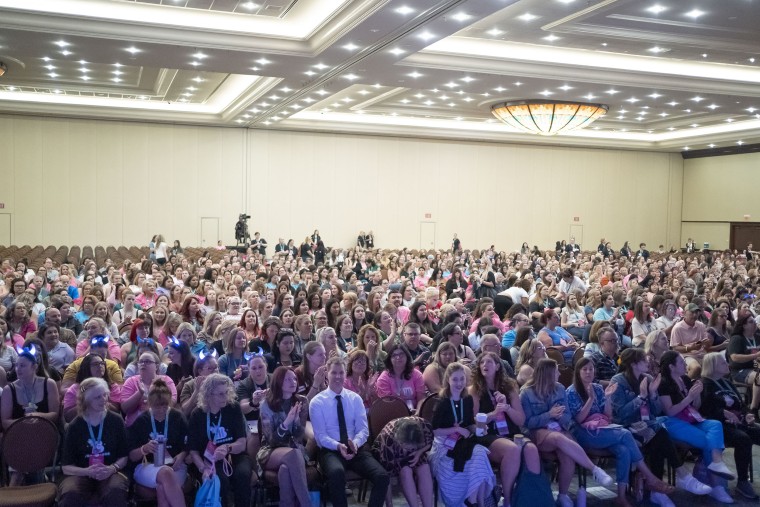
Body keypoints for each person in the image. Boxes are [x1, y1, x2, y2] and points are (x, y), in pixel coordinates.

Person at [610, 348, 712, 505]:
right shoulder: (618, 381)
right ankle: (682, 476)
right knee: (660, 433)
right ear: (634, 364)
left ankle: (657, 491)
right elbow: (621, 414)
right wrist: (641, 396)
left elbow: (657, 410)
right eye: (644, 360)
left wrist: (652, 394)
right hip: (626, 427)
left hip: (646, 425)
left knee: (658, 437)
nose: (648, 362)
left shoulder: (648, 378)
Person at [567, 357, 674, 507]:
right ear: (578, 372)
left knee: (623, 450)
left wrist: (608, 397)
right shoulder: (571, 391)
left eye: (591, 369)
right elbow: (578, 420)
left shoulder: (598, 388)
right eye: (584, 369)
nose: (588, 372)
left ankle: (621, 496)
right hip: (583, 432)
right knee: (625, 434)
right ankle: (650, 477)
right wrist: (590, 399)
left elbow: (609, 415)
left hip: (602, 428)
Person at [520, 359, 613, 507]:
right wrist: (549, 414)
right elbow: (526, 423)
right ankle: (595, 469)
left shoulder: (559, 388)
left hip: (559, 428)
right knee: (558, 438)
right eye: (556, 370)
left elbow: (568, 416)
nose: (559, 373)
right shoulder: (526, 393)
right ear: (548, 374)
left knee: (567, 455)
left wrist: (559, 416)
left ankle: (562, 496)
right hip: (537, 432)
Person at [309, 356, 390, 507]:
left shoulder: (355, 399)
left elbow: (363, 430)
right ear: (327, 374)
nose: (338, 376)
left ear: (345, 374)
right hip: (330, 450)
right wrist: (338, 446)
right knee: (336, 473)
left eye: (341, 373)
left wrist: (356, 443)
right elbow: (320, 437)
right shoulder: (317, 402)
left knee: (382, 476)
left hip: (356, 448)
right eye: (334, 373)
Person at [657, 351, 736, 492]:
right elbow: (669, 411)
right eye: (681, 362)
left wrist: (697, 395)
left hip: (691, 418)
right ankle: (717, 485)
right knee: (706, 441)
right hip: (672, 421)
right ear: (671, 367)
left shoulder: (685, 380)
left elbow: (695, 407)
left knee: (715, 425)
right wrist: (689, 397)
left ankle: (716, 463)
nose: (686, 364)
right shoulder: (663, 383)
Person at [470, 351, 542, 505]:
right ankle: (507, 499)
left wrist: (507, 408)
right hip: (487, 435)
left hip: (510, 432)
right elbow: (474, 421)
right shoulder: (474, 390)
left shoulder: (509, 387)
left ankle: (531, 496)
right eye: (482, 362)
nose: (484, 365)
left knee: (531, 450)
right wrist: (493, 414)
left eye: (489, 362)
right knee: (512, 449)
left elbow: (521, 419)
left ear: (497, 366)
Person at [430, 362, 495, 506]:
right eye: (455, 379)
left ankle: (476, 501)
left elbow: (469, 423)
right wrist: (456, 430)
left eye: (462, 379)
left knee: (480, 454)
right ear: (448, 380)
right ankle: (475, 501)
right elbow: (434, 430)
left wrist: (480, 428)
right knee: (479, 456)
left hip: (463, 441)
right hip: (445, 443)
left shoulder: (467, 399)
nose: (459, 383)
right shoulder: (442, 402)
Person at [59, 377, 129, 507]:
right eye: (97, 397)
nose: (103, 400)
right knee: (70, 493)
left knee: (115, 491)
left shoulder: (116, 420)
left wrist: (111, 468)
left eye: (105, 395)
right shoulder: (75, 426)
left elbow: (124, 457)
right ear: (86, 400)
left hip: (110, 471)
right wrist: (88, 472)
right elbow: (66, 467)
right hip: (81, 472)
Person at [700, 352, 760, 499]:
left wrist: (747, 414)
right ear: (713, 366)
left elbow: (741, 404)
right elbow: (705, 409)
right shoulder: (704, 384)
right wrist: (724, 413)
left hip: (738, 422)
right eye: (722, 363)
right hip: (719, 426)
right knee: (743, 439)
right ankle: (742, 482)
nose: (727, 365)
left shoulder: (727, 382)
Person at [187, 374, 252, 507]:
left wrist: (228, 448)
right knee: (219, 479)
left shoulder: (233, 408)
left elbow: (241, 443)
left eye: (227, 392)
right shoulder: (197, 414)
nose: (225, 397)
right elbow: (193, 451)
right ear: (209, 395)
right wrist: (202, 468)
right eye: (220, 394)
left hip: (234, 455)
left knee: (243, 475)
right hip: (210, 459)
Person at [127, 378, 188, 507]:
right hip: (147, 466)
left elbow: (188, 446)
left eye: (165, 405)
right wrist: (144, 449)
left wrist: (182, 455)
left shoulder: (178, 417)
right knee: (165, 472)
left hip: (175, 466)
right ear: (148, 403)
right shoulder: (141, 421)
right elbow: (131, 456)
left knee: (162, 487)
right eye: (157, 406)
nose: (161, 409)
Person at [258, 366, 311, 507]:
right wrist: (286, 423)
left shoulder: (302, 401)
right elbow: (271, 441)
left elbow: (299, 436)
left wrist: (296, 422)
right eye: (288, 379)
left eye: (294, 378)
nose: (293, 382)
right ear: (278, 381)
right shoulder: (266, 404)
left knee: (285, 471)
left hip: (294, 448)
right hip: (270, 451)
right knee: (293, 455)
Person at [372, 416, 434, 507]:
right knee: (406, 471)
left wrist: (419, 452)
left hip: (418, 451)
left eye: (412, 448)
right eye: (407, 448)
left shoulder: (425, 426)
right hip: (391, 454)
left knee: (424, 467)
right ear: (401, 443)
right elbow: (386, 476)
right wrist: (389, 504)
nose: (408, 450)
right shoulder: (388, 441)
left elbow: (430, 442)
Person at [0, 343, 60, 431]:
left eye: (22, 366)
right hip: (19, 433)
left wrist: (38, 416)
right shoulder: (8, 390)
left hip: (44, 431)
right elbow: (5, 422)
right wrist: (24, 422)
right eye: (17, 365)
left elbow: (55, 414)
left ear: (34, 367)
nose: (18, 369)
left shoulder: (49, 384)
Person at [120, 351, 177, 427]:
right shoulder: (130, 381)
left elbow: (172, 403)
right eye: (141, 362)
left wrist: (150, 404)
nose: (143, 364)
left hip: (163, 425)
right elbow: (125, 408)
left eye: (147, 361)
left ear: (156, 366)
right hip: (135, 426)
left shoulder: (166, 380)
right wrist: (139, 394)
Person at [63, 353, 121, 423]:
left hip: (107, 423)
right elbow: (68, 417)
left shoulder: (112, 387)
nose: (100, 366)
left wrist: (101, 400)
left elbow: (116, 411)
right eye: (95, 364)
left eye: (102, 363)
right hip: (82, 424)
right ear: (86, 367)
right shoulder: (75, 388)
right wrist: (86, 401)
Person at [726, 314, 760, 417]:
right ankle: (753, 408)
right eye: (751, 322)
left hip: (756, 368)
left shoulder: (758, 337)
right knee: (759, 377)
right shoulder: (737, 338)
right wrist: (755, 356)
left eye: (754, 321)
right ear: (744, 325)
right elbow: (734, 357)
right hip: (740, 370)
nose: (754, 323)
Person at [375, 343, 425, 412]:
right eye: (394, 355)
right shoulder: (384, 378)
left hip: (415, 412)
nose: (398, 357)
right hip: (393, 412)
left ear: (407, 356)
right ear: (390, 359)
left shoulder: (416, 374)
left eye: (401, 354)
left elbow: (421, 399)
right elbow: (387, 404)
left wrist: (418, 411)